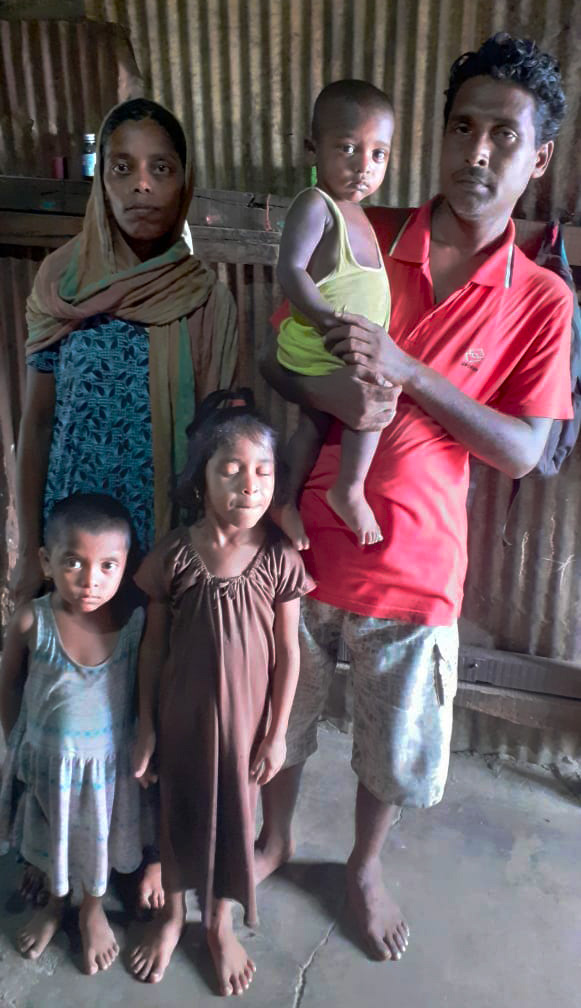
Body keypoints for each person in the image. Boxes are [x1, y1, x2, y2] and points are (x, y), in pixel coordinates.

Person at [258, 34, 572, 964]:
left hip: (416, 563)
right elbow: (279, 359)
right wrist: (339, 394)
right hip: (306, 540)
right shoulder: (359, 229)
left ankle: (360, 864)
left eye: (503, 137)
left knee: (391, 746)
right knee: (287, 709)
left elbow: (520, 450)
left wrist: (409, 373)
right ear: (436, 136)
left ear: (539, 157)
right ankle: (275, 837)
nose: (476, 153)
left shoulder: (543, 300)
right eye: (460, 127)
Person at [13, 96, 238, 909]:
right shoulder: (59, 281)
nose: (141, 185)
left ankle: (145, 860)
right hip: (73, 542)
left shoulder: (205, 297)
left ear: (184, 184)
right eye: (121, 167)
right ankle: (56, 850)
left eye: (161, 168)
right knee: (65, 701)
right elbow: (35, 426)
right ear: (98, 180)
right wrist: (23, 553)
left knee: (147, 710)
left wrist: (198, 562)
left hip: (157, 544)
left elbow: (217, 444)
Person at [128, 390, 315, 995]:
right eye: (230, 470)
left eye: (262, 472)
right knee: (175, 817)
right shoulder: (176, 553)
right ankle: (173, 917)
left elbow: (290, 655)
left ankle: (220, 924)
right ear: (201, 478)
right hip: (181, 723)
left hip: (245, 732)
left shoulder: (280, 559)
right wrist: (146, 725)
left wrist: (278, 731)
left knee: (237, 822)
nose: (248, 486)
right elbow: (152, 646)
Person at [0, 493, 144, 974]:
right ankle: (53, 907)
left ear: (126, 566)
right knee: (47, 837)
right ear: (45, 561)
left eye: (107, 565)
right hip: (46, 765)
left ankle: (91, 908)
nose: (90, 580)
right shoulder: (31, 621)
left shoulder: (132, 625)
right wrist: (17, 743)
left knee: (98, 842)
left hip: (107, 772)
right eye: (73, 563)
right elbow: (8, 687)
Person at [276, 80, 394, 549]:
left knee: (312, 424)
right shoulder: (316, 205)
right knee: (376, 396)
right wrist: (327, 320)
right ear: (314, 149)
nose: (364, 166)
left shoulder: (361, 215)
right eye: (348, 148)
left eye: (378, 154)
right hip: (319, 340)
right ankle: (348, 488)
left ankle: (285, 499)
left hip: (339, 342)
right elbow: (290, 270)